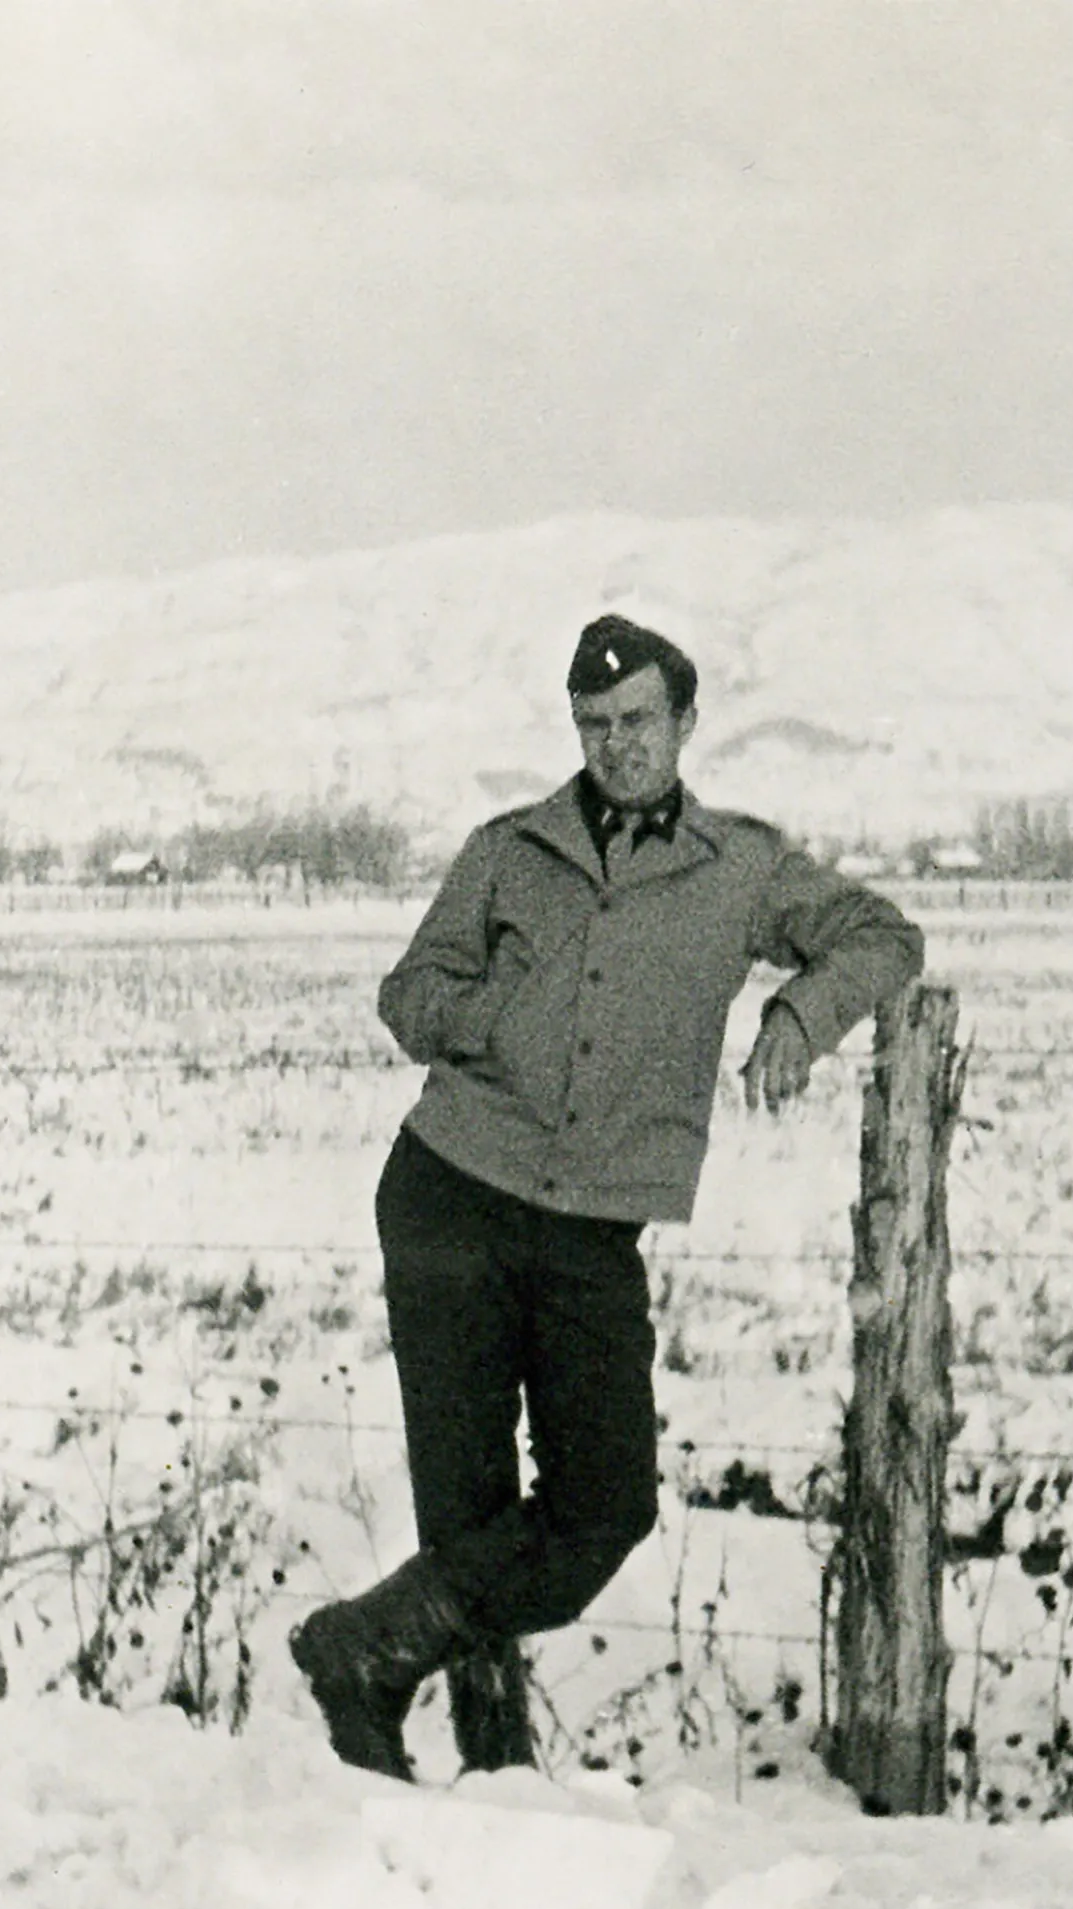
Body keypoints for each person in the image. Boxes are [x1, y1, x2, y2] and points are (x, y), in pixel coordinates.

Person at [288, 612, 925, 1780]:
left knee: (604, 1505)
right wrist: (493, 1019)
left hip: (590, 1232)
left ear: (685, 723)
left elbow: (884, 936)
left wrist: (798, 1016)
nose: (619, 744)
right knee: (465, 1514)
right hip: (452, 1198)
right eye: (595, 725)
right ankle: (486, 1779)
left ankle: (359, 1645)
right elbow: (409, 996)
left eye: (639, 721)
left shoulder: (740, 869)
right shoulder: (508, 850)